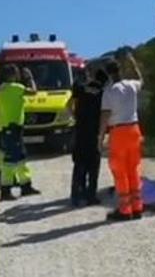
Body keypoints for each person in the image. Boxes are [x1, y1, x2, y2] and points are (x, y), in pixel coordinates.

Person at [99, 51, 145, 221]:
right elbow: (142, 81)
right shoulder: (132, 85)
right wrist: (133, 64)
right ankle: (138, 206)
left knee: (120, 171)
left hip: (118, 132)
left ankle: (125, 209)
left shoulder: (109, 91)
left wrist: (100, 136)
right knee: (134, 168)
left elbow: (105, 116)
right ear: (120, 70)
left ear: (107, 73)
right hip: (134, 129)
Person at [0, 63, 41, 201]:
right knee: (11, 160)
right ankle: (6, 190)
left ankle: (25, 185)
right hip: (13, 128)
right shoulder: (16, 88)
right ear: (13, 75)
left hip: (6, 127)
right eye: (17, 73)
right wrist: (30, 78)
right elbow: (33, 92)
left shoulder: (1, 89)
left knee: (20, 157)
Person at [67, 66, 107, 206]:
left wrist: (76, 117)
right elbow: (104, 113)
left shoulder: (81, 88)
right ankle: (91, 196)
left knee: (79, 165)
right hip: (94, 132)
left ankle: (76, 195)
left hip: (80, 131)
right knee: (93, 166)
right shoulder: (103, 92)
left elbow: (68, 104)